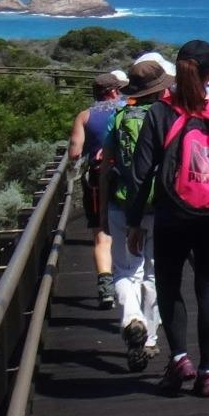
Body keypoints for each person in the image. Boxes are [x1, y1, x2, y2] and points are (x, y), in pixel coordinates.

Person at [123, 38, 209, 397]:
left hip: (172, 214)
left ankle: (180, 358)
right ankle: (208, 373)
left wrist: (134, 220)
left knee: (168, 284)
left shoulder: (160, 113)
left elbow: (140, 174)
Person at [94, 59, 168, 370]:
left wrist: (100, 212)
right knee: (154, 272)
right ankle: (150, 339)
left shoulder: (120, 115)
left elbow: (105, 164)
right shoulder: (166, 116)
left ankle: (132, 318)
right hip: (160, 205)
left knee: (126, 271)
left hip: (121, 203)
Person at [67, 72, 126, 308]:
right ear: (113, 91)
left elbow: (74, 153)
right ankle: (131, 280)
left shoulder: (85, 115)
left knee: (101, 234)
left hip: (97, 178)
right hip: (126, 178)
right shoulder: (127, 109)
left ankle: (106, 287)